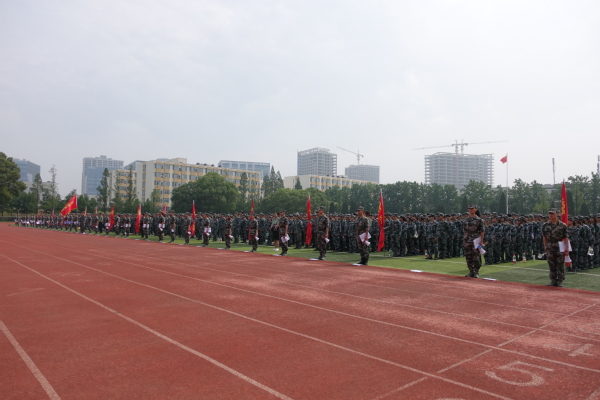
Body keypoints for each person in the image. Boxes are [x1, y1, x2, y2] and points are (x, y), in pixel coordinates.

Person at [542, 208, 569, 287]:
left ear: (557, 214)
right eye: (550, 213)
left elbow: (566, 237)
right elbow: (544, 237)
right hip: (550, 246)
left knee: (560, 264)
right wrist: (545, 246)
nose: (551, 215)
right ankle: (553, 280)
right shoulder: (545, 225)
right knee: (551, 264)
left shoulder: (563, 225)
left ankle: (560, 280)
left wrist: (567, 247)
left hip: (559, 246)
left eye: (553, 213)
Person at [463, 205, 485, 278]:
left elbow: (482, 231)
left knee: (476, 256)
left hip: (475, 240)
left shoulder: (479, 220)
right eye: (469, 209)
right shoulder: (465, 220)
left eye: (472, 209)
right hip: (467, 240)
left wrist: (481, 241)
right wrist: (464, 239)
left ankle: (476, 272)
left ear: (475, 209)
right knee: (468, 256)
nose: (470, 210)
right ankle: (471, 271)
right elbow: (464, 230)